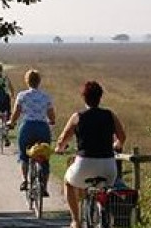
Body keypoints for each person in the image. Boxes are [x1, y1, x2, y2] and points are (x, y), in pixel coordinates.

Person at [54, 81, 126, 228]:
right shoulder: (110, 115)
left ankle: (76, 220)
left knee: (68, 182)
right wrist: (116, 145)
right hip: (108, 167)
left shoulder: (77, 116)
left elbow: (63, 139)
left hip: (84, 165)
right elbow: (122, 137)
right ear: (100, 97)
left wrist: (59, 148)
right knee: (106, 187)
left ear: (84, 98)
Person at [7, 69, 55, 196]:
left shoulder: (22, 95)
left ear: (27, 81)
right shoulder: (46, 96)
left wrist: (11, 122)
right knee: (44, 157)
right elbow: (51, 115)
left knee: (24, 155)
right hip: (42, 128)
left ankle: (25, 181)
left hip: (27, 127)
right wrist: (52, 122)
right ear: (39, 81)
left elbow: (16, 112)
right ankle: (44, 186)